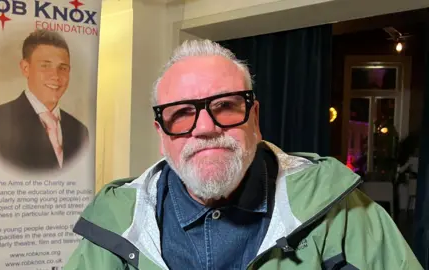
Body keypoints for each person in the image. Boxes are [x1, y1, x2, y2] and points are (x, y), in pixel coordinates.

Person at [65, 40, 422, 269]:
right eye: (182, 112)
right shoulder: (114, 222)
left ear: (255, 118)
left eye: (225, 106)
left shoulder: (342, 215)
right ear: (161, 134)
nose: (205, 128)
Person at [0, 29, 88, 172]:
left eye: (63, 68)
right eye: (45, 65)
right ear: (25, 68)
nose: (55, 75)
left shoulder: (80, 130)